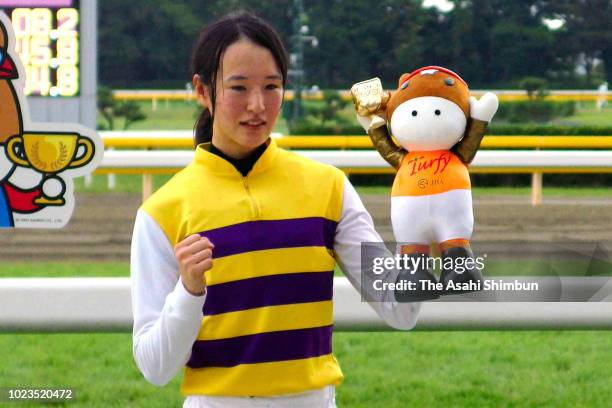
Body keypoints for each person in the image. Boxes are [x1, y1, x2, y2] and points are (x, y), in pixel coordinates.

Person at [130, 12, 421, 408]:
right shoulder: (161, 211)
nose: (257, 105)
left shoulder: (329, 188)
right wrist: (189, 290)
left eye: (272, 87)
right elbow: (155, 366)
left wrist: (424, 213)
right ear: (201, 89)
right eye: (238, 88)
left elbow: (399, 308)